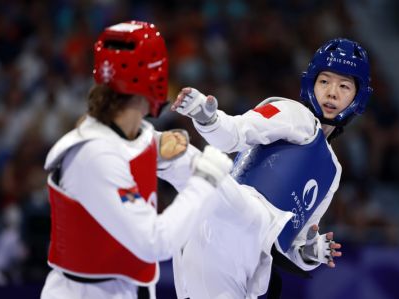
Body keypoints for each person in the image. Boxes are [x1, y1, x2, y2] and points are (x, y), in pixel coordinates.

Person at [40, 20, 233, 299]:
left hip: (127, 287)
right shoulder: (94, 155)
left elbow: (141, 147)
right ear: (155, 76)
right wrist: (205, 181)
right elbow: (155, 242)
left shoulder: (137, 134)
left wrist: (167, 147)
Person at [170, 38, 372, 298]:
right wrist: (207, 117)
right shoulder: (293, 115)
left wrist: (310, 253)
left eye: (344, 86)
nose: (332, 93)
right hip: (226, 223)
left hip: (247, 261)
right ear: (311, 82)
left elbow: (295, 239)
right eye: (325, 81)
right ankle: (166, 155)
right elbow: (233, 133)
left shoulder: (332, 171)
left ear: (359, 97)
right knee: (229, 194)